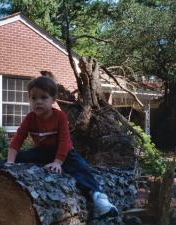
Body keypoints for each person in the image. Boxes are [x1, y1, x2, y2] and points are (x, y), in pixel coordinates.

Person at [6, 76, 118, 218]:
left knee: (80, 166)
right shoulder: (30, 118)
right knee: (19, 157)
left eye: (43, 97)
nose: (38, 101)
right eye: (33, 98)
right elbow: (17, 141)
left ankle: (99, 198)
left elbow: (64, 141)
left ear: (53, 100)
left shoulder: (60, 117)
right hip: (42, 152)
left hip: (64, 152)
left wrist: (58, 162)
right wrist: (10, 162)